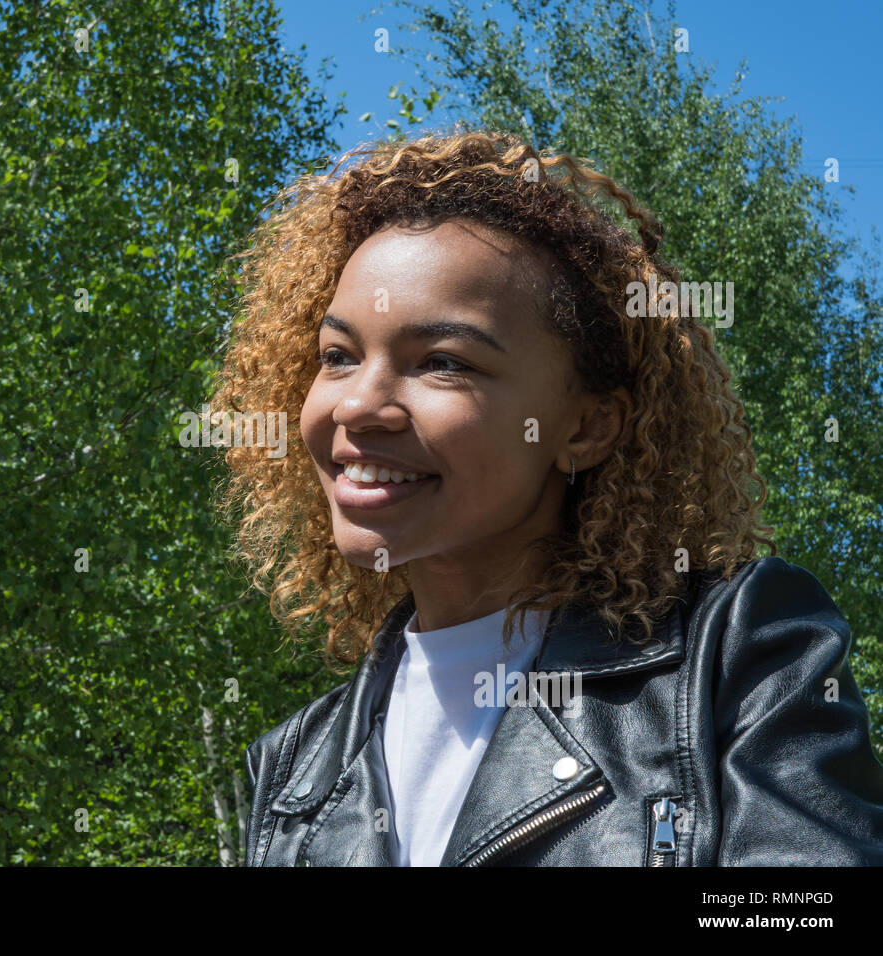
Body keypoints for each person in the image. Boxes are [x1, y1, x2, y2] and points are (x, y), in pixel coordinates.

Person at [212, 129, 883, 866]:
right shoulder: (294, 768)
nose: (358, 406)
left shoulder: (741, 653)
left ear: (588, 426)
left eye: (441, 362)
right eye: (337, 356)